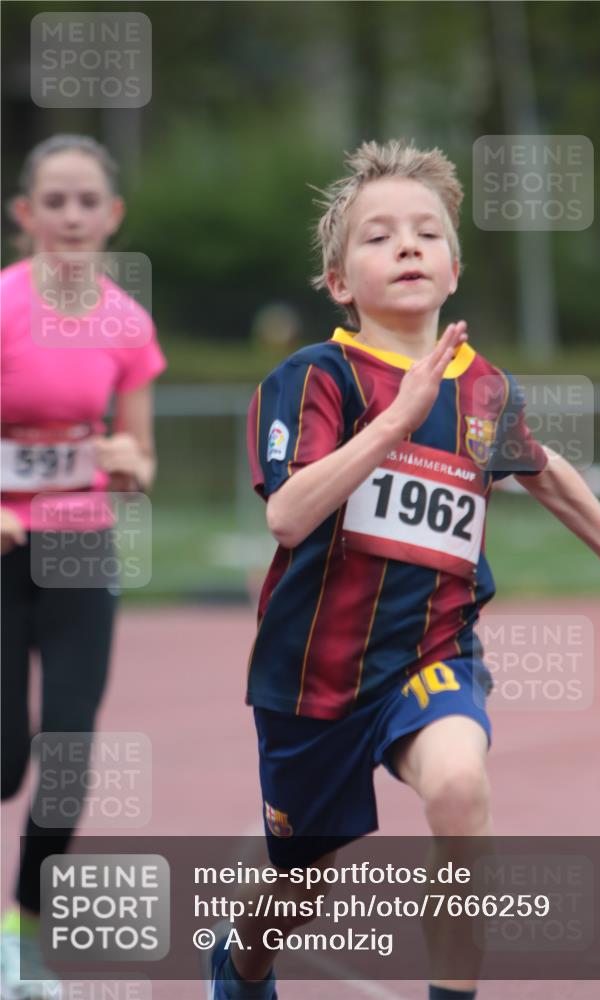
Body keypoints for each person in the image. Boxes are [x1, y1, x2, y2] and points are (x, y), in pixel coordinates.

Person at [208, 139, 600, 1000]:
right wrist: (393, 424)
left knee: (458, 788)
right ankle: (239, 962)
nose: (407, 246)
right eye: (378, 237)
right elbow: (289, 512)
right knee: (304, 880)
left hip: (431, 655)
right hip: (314, 678)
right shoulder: (313, 377)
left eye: (426, 233)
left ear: (453, 267)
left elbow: (544, 472)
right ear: (340, 281)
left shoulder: (484, 391)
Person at [0, 134, 166, 999]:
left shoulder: (126, 324)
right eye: (53, 201)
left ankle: (21, 936)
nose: (70, 216)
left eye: (85, 202)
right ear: (25, 215)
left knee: (66, 753)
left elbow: (139, 455)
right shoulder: (0, 307)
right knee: (3, 758)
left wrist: (130, 464)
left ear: (111, 217)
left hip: (79, 544)